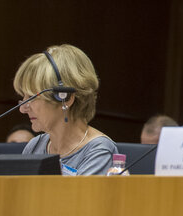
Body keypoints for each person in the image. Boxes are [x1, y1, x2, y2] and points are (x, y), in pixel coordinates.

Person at [14, 44, 118, 175]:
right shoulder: (34, 146)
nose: (23, 109)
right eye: (23, 98)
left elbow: (78, 196)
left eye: (32, 97)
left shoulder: (99, 151)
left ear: (65, 98)